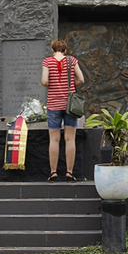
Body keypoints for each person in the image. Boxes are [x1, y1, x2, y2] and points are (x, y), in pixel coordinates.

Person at [41, 40, 85, 182]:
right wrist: (72, 84)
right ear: (65, 50)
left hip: (54, 105)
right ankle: (69, 173)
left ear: (53, 49)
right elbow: (82, 79)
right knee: (70, 139)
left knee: (54, 139)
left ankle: (53, 172)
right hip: (70, 105)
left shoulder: (47, 61)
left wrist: (53, 84)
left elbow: (44, 81)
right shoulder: (72, 60)